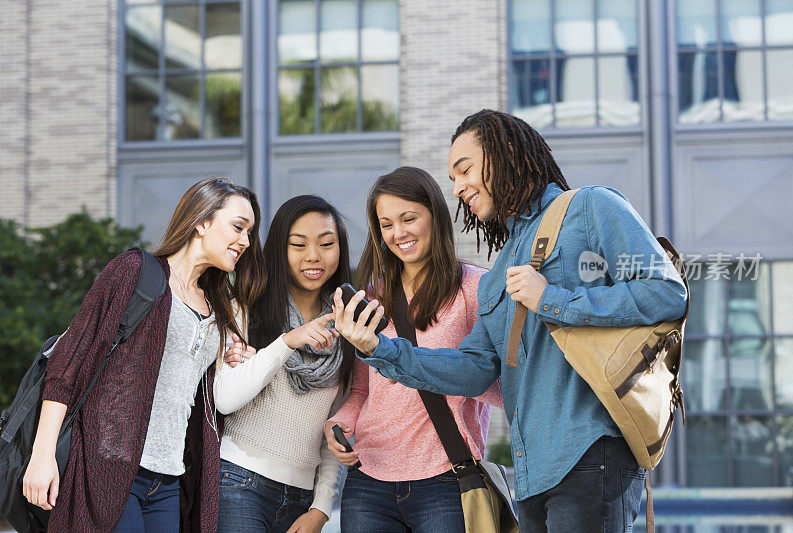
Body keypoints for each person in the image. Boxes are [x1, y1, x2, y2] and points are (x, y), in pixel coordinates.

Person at [333, 109, 689, 532]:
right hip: (532, 476)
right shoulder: (498, 272)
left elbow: (666, 292)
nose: (458, 188)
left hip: (591, 453)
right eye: (452, 179)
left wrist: (552, 299)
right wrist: (381, 350)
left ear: (504, 154)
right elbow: (472, 371)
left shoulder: (590, 207)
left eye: (465, 170)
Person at [22, 177, 267, 532]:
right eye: (238, 227)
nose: (245, 241)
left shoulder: (216, 307)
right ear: (201, 221)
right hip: (109, 467)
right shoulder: (134, 272)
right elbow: (70, 362)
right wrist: (42, 456)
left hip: (169, 481)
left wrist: (224, 363)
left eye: (249, 233)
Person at [323, 167, 502, 532]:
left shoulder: (476, 288)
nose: (398, 233)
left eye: (409, 219)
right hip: (368, 483)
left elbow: (494, 385)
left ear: (435, 217)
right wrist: (340, 422)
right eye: (386, 224)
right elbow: (363, 389)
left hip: (446, 479)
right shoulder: (372, 297)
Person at [214, 195, 354, 533]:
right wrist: (288, 341)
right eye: (298, 244)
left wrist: (320, 509)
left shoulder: (348, 327)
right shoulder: (246, 308)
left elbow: (335, 433)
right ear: (279, 249)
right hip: (237, 483)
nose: (313, 256)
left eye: (326, 243)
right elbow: (225, 398)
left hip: (301, 499)